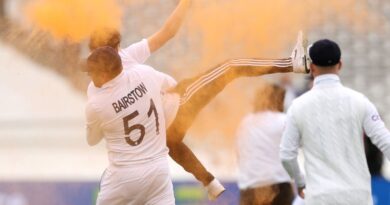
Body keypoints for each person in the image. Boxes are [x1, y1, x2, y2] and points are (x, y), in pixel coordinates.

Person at [87, 0, 309, 201]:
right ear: (116, 48)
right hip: (176, 107)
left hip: (154, 137)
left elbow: (96, 129)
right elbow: (168, 36)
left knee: (171, 142)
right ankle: (292, 63)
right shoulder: (128, 59)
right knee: (229, 68)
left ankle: (209, 182)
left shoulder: (97, 88)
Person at [280, 39, 390, 205]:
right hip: (357, 197)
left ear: (311, 67)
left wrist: (300, 182)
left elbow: (286, 155)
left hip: (319, 197)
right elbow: (386, 143)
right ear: (340, 65)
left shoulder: (298, 106)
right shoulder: (360, 101)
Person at [236, 82, 294, 205]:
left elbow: (239, 155)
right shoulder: (283, 120)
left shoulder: (245, 122)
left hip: (250, 188)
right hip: (278, 186)